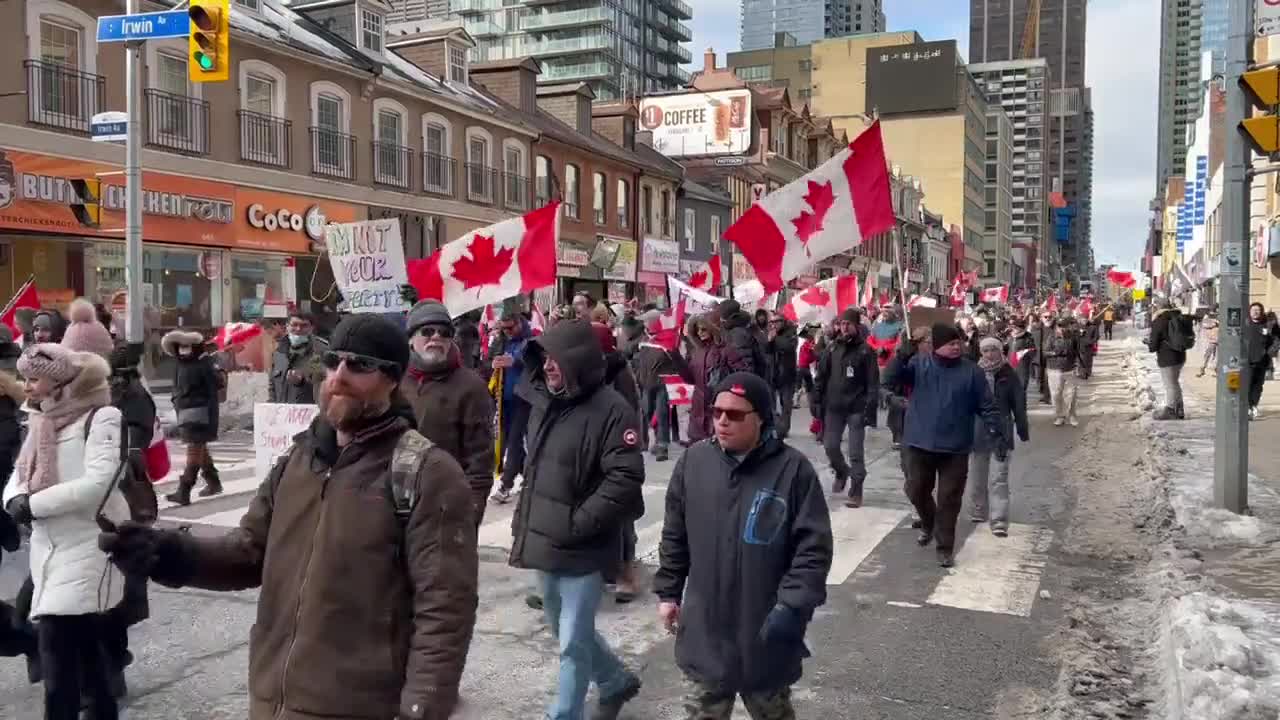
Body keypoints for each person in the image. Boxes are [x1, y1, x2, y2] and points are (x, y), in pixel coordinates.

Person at [99, 314, 479, 720]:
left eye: (361, 365)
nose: (340, 375)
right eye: (334, 361)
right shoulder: (299, 459)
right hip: (272, 701)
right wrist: (166, 553)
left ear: (392, 379)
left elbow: (444, 607)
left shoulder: (427, 472)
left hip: (362, 707)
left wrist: (422, 709)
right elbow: (249, 551)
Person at [654, 372, 833, 720]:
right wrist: (668, 593)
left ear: (761, 418)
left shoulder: (793, 470)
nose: (722, 421)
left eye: (735, 414)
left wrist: (792, 606)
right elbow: (675, 535)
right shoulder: (693, 463)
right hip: (706, 628)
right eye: (717, 411)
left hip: (765, 630)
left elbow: (813, 549)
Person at [508, 319, 645, 720]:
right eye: (544, 358)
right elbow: (537, 470)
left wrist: (580, 523)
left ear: (579, 361)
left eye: (557, 359)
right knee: (561, 626)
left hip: (586, 545)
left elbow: (625, 477)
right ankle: (614, 681)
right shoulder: (543, 402)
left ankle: (563, 714)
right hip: (546, 538)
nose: (548, 366)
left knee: (572, 640)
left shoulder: (613, 411)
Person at [4, 343, 130, 720]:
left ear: (62, 383)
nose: (26, 387)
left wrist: (34, 505)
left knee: (57, 657)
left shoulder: (102, 417)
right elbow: (18, 476)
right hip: (48, 548)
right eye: (24, 378)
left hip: (89, 543)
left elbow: (98, 483)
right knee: (88, 658)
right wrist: (13, 500)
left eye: (34, 379)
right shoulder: (40, 419)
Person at [888, 323, 1004, 567]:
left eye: (958, 342)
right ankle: (929, 522)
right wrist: (902, 354)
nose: (956, 346)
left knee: (949, 499)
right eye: (951, 343)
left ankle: (944, 547)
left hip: (955, 447)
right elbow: (890, 378)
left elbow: (987, 405)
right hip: (920, 442)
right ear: (938, 346)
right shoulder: (919, 365)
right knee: (916, 489)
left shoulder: (972, 372)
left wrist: (997, 432)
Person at [402, 300, 495, 524]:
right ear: (412, 339)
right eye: (427, 331)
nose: (436, 337)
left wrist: (471, 513)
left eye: (444, 333)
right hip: (394, 502)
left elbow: (480, 461)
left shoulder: (470, 387)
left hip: (444, 506)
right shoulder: (392, 378)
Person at [813, 308, 879, 508]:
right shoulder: (832, 349)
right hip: (834, 407)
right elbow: (821, 376)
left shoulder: (865, 351)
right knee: (830, 446)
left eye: (848, 324)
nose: (844, 327)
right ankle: (841, 471)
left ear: (857, 326)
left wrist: (870, 409)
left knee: (856, 451)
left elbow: (872, 383)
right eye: (841, 324)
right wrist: (817, 400)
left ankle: (856, 489)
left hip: (856, 408)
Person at [968, 337, 1030, 537]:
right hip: (978, 431)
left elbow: (1019, 404)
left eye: (993, 350)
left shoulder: (1008, 374)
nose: (989, 354)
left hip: (1001, 432)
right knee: (978, 476)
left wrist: (1022, 429)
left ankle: (999, 520)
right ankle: (978, 510)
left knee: (998, 479)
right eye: (985, 351)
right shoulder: (974, 373)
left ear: (999, 351)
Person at [161, 330, 222, 504]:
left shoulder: (204, 362)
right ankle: (213, 481)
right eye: (180, 346)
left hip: (201, 412)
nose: (183, 349)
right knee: (199, 447)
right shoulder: (180, 364)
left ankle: (184, 489)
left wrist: (213, 367)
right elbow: (177, 387)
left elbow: (217, 384)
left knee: (194, 449)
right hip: (185, 411)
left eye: (187, 345)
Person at [671, 316, 748, 443]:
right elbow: (690, 379)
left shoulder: (726, 350)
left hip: (718, 404)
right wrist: (677, 359)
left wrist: (729, 391)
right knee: (699, 451)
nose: (699, 333)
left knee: (719, 448)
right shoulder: (696, 352)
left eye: (703, 329)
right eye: (696, 330)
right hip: (698, 407)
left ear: (712, 329)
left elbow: (742, 373)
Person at [489, 306, 534, 504]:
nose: (507, 332)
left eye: (510, 328)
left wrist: (514, 361)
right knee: (508, 442)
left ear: (520, 324)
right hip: (504, 400)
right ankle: (529, 476)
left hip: (523, 400)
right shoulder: (502, 342)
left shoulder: (530, 342)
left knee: (515, 441)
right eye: (504, 328)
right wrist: (494, 361)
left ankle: (506, 484)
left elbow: (535, 362)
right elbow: (489, 358)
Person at [1148, 298, 1193, 420]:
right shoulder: (1177, 316)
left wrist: (1149, 344)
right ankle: (1179, 409)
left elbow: (1153, 344)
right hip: (1180, 355)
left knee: (1170, 384)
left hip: (1167, 357)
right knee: (1175, 382)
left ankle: (1171, 409)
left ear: (1158, 307)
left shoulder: (1160, 320)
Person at [268, 312, 328, 404]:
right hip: (282, 413)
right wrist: (270, 407)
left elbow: (324, 386)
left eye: (304, 325)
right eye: (294, 325)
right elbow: (272, 386)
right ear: (287, 327)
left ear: (311, 328)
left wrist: (302, 382)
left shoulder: (319, 352)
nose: (299, 329)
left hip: (308, 414)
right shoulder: (279, 352)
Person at [1043, 318, 1084, 427]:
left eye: (1064, 326)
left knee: (1072, 394)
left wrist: (1079, 366)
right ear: (1056, 327)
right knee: (1056, 394)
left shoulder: (1073, 337)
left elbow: (1078, 352)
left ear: (1068, 326)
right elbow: (1045, 352)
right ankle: (1059, 416)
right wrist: (1055, 353)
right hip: (1054, 370)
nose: (1062, 328)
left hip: (1069, 369)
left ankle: (1072, 415)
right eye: (1059, 326)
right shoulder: (1052, 338)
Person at [717, 300, 769, 380]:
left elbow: (745, 363)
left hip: (741, 380)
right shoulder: (734, 329)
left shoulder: (738, 333)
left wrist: (744, 384)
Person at [1245, 303, 1279, 420]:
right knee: (1247, 384)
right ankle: (1248, 406)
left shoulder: (1267, 325)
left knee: (1258, 386)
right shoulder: (1245, 324)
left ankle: (1253, 405)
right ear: (1249, 312)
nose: (1255, 312)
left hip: (1262, 361)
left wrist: (1269, 353)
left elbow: (1276, 340)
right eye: (1253, 310)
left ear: (1261, 312)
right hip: (1247, 361)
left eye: (1258, 310)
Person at [768, 315, 800, 440]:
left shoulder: (791, 332)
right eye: (772, 322)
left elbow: (789, 347)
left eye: (776, 322)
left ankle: (784, 428)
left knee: (786, 403)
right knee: (772, 403)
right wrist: (769, 341)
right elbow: (767, 350)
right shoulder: (771, 333)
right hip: (773, 372)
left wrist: (775, 339)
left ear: (782, 322)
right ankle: (776, 427)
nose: (774, 324)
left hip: (787, 373)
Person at [1198, 310, 1220, 378]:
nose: (1214, 314)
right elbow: (1205, 325)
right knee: (1207, 355)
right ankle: (1203, 369)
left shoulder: (1219, 319)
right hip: (1210, 341)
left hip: (1219, 341)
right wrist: (1215, 323)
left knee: (1217, 357)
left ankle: (1216, 370)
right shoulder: (1207, 320)